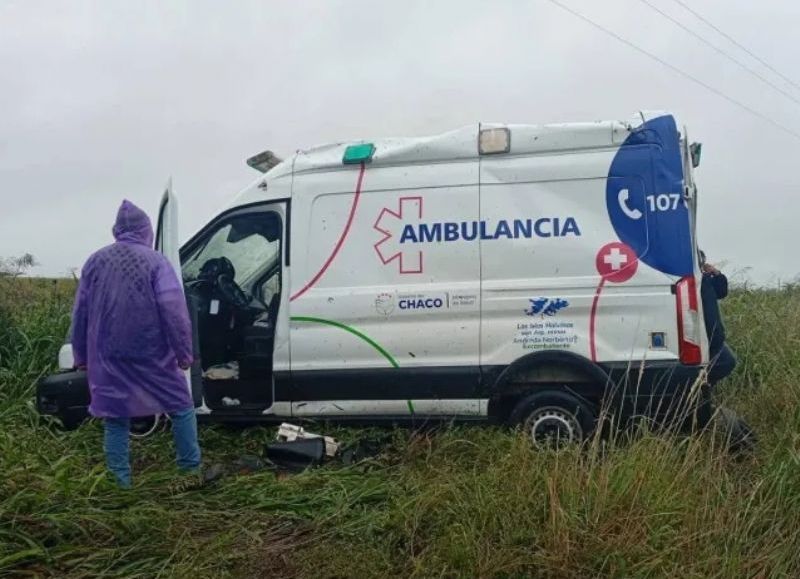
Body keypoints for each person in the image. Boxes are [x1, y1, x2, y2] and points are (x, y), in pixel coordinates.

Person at [71, 199, 200, 488]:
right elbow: (173, 310)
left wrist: (81, 355)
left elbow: (80, 312)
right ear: (146, 231)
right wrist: (184, 353)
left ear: (116, 230)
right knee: (181, 406)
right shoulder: (156, 262)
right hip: (151, 352)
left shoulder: (95, 261)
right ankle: (190, 471)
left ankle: (120, 483)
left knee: (116, 417)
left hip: (107, 355)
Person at [699, 250, 737, 385]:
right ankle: (699, 388)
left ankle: (701, 388)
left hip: (712, 336)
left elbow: (721, 292)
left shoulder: (704, 279)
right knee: (726, 362)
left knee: (725, 362)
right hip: (705, 335)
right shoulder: (695, 281)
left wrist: (717, 273)